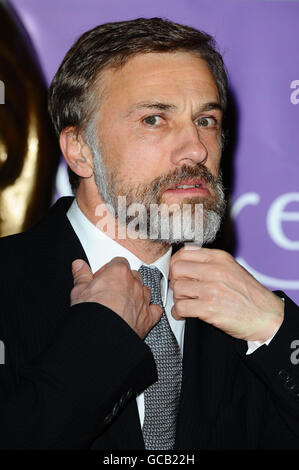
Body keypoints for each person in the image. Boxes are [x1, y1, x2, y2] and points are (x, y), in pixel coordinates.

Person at [0, 17, 299, 450]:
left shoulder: (243, 314)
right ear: (80, 151)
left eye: (207, 119)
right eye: (155, 119)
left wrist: (276, 328)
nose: (197, 149)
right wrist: (99, 338)